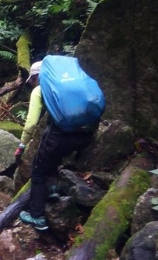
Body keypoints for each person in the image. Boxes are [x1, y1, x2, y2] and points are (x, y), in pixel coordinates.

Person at [17, 61, 98, 231]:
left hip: (60, 137)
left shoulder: (40, 90)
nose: (32, 84)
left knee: (38, 171)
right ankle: (53, 191)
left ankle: (37, 217)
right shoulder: (70, 87)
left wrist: (22, 145)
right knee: (52, 157)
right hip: (85, 136)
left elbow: (31, 123)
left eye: (32, 81)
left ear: (37, 76)